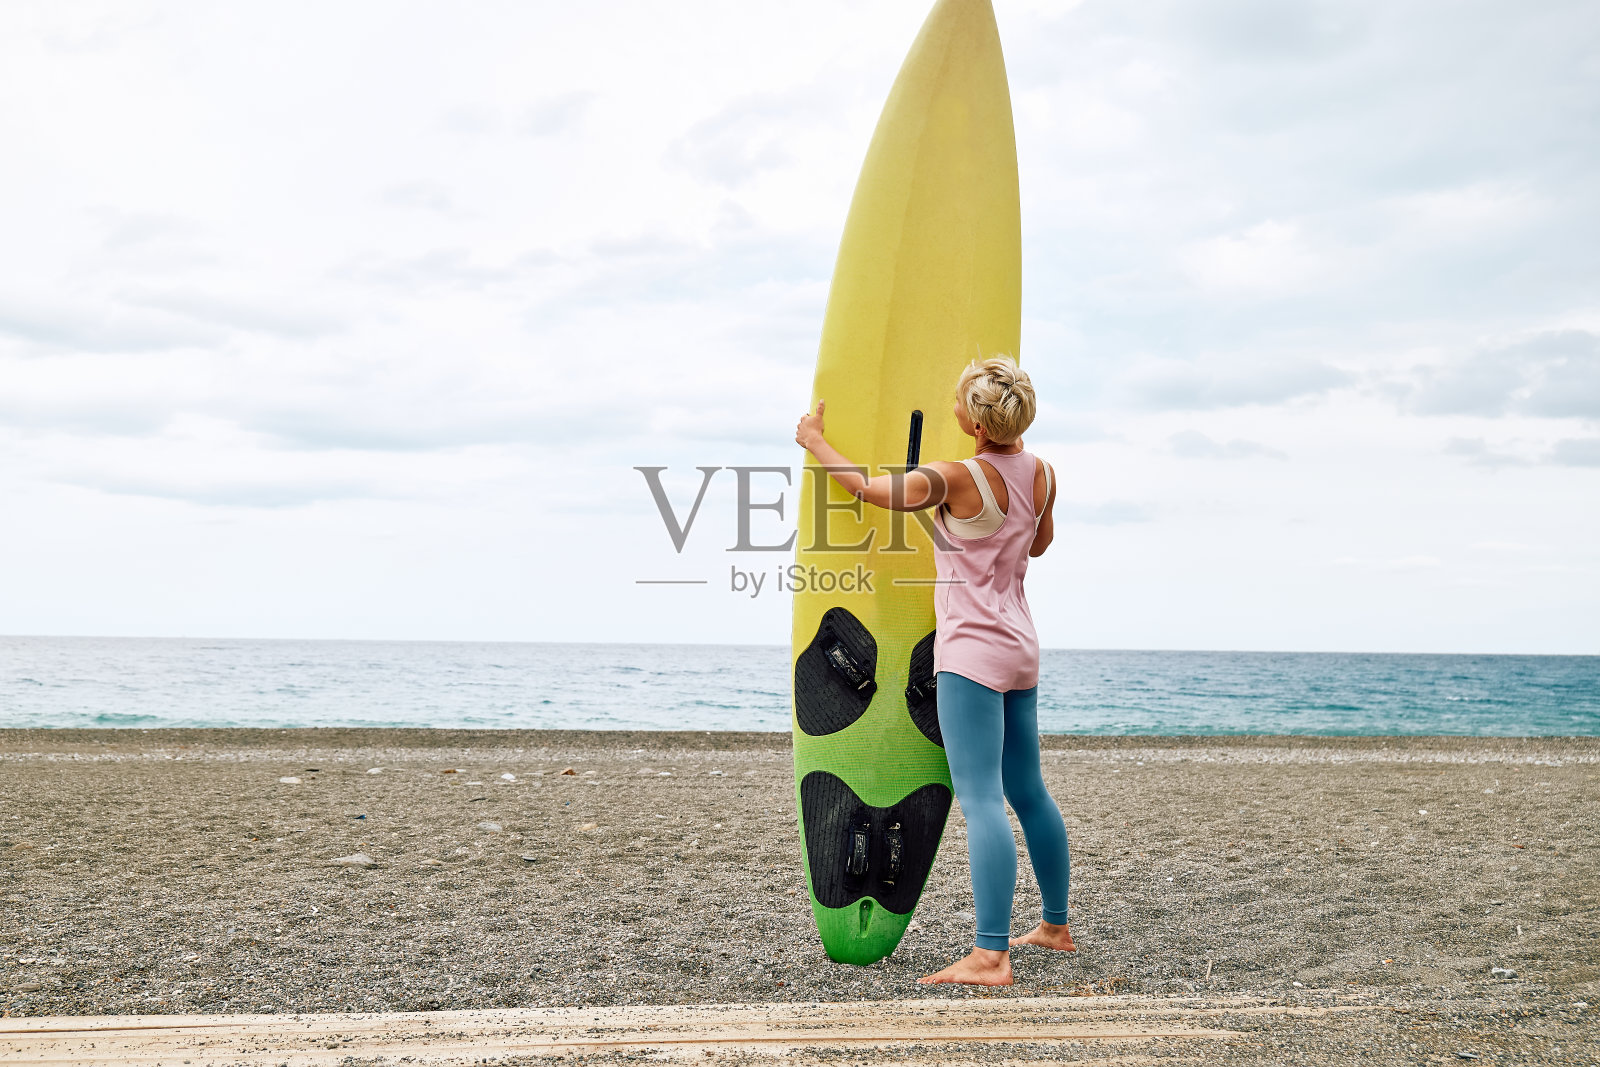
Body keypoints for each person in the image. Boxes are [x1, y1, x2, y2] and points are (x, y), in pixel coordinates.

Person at [794, 355, 1075, 987]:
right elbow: (1039, 544)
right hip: (1019, 644)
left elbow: (868, 490)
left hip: (971, 654)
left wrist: (816, 441)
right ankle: (1055, 927)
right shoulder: (1044, 475)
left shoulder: (953, 477)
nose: (949, 408)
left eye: (957, 403)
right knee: (1027, 790)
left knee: (980, 800)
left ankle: (991, 955)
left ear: (975, 425)